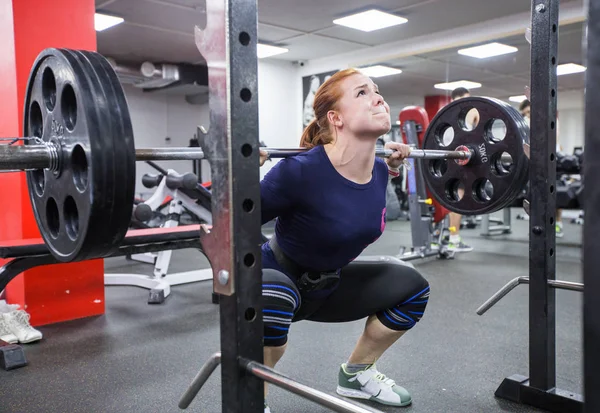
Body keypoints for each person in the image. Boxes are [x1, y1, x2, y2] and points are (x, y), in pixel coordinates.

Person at [257, 68, 430, 412]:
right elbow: (234, 223)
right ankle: (251, 397)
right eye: (362, 93)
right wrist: (241, 175)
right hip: (274, 280)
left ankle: (356, 374)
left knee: (412, 288)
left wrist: (393, 168)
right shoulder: (299, 170)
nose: (378, 97)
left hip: (327, 285)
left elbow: (351, 207)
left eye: (377, 91)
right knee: (276, 295)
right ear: (335, 118)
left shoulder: (381, 170)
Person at [519, 99, 563, 237]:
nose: (527, 115)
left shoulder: (550, 119)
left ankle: (558, 223)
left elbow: (552, 140)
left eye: (529, 112)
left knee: (555, 192)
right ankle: (539, 224)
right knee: (538, 194)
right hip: (535, 161)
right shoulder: (527, 123)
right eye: (525, 113)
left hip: (551, 159)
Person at [442, 87, 475, 252]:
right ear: (458, 98)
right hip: (458, 160)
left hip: (446, 160)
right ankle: (454, 239)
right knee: (457, 200)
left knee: (451, 200)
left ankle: (450, 236)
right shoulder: (469, 112)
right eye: (466, 98)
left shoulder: (445, 113)